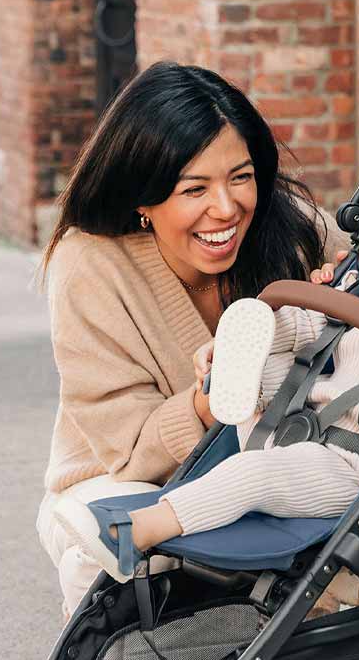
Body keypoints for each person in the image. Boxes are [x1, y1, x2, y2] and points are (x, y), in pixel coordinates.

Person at [68, 171, 359, 581]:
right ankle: (234, 363)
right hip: (294, 431)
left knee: (251, 475)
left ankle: (135, 533)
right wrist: (252, 335)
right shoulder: (358, 297)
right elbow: (306, 329)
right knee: (285, 335)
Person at [36, 62, 330, 618]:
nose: (226, 208)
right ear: (142, 197)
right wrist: (206, 403)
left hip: (266, 473)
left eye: (241, 177)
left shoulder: (291, 230)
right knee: (102, 551)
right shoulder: (90, 264)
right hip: (120, 480)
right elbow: (127, 451)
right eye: (194, 188)